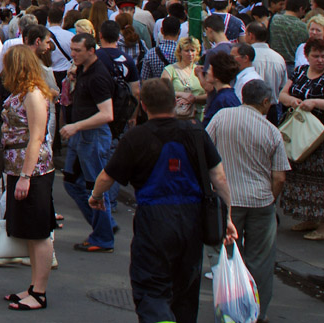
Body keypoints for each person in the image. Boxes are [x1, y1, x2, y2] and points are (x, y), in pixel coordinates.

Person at [90, 78, 237, 323]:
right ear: (174, 103)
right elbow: (219, 176)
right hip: (192, 219)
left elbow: (107, 176)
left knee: (151, 286)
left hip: (154, 219)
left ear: (144, 105)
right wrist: (228, 216)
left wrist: (95, 197)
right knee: (186, 287)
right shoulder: (195, 132)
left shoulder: (136, 137)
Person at [206, 79, 290, 321]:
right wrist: (270, 199)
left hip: (227, 200)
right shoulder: (272, 131)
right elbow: (280, 177)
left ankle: (230, 309)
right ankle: (257, 313)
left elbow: (205, 150)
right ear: (264, 102)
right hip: (260, 202)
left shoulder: (222, 118)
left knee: (228, 256)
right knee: (260, 261)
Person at [0, 44, 58, 311]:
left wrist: (25, 175)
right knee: (29, 231)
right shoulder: (21, 92)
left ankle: (40, 292)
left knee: (38, 231)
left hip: (32, 169)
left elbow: (36, 136)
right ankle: (34, 286)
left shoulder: (33, 94)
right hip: (17, 166)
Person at [278, 37, 324, 240]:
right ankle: (310, 217)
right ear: (307, 56)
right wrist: (292, 100)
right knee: (304, 178)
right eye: (316, 56)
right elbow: (282, 95)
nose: (320, 60)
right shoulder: (301, 72)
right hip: (302, 134)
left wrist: (315, 102)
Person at [60, 32, 116, 252]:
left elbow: (107, 114)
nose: (73, 54)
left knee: (96, 188)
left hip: (92, 136)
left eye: (77, 51)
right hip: (83, 136)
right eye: (72, 50)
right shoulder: (84, 69)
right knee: (72, 182)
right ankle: (105, 227)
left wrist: (76, 126)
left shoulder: (98, 76)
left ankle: (103, 236)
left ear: (92, 51)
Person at [162, 36, 206, 121]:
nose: (190, 54)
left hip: (199, 117)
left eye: (192, 50)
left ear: (197, 52)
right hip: (178, 117)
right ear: (180, 52)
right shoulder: (170, 70)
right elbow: (163, 92)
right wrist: (181, 94)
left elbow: (209, 93)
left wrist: (194, 98)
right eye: (186, 50)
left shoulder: (200, 70)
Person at [201, 51, 241, 126]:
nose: (207, 72)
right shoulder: (229, 96)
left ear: (217, 76)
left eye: (210, 69)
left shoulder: (222, 100)